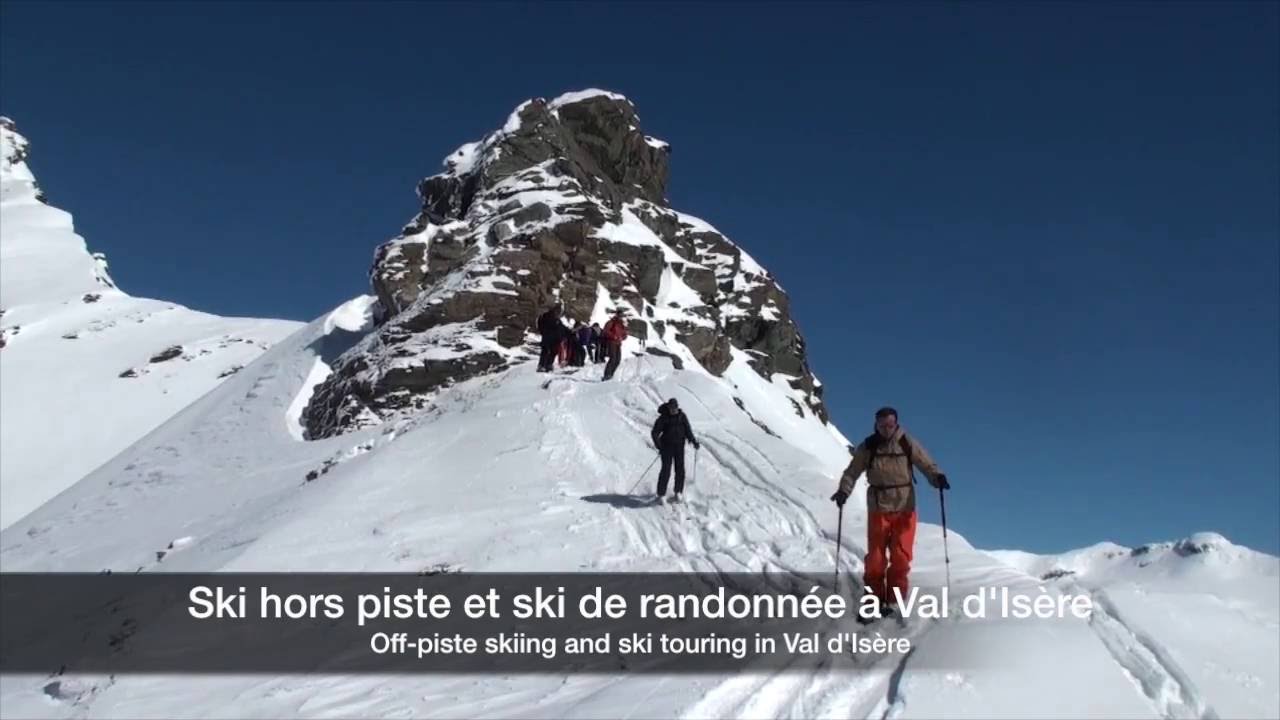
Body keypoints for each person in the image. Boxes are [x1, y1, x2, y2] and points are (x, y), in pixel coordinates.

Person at [830, 407, 949, 621]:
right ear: (876, 425)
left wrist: (937, 477)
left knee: (901, 556)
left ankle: (893, 601)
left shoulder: (906, 441)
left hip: (905, 507)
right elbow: (852, 471)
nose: (886, 429)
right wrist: (843, 491)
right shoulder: (868, 446)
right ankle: (873, 599)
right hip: (878, 508)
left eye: (890, 425)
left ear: (896, 424)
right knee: (875, 557)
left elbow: (925, 462)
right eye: (882, 425)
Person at [650, 398, 699, 504]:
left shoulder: (682, 417)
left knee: (680, 470)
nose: (673, 410)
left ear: (677, 407)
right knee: (666, 470)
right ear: (668, 408)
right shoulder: (663, 418)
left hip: (679, 447)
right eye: (671, 408)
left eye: (675, 408)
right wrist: (660, 446)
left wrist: (693, 441)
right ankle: (661, 494)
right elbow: (654, 433)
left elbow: (688, 430)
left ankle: (678, 492)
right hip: (667, 448)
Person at [536, 303, 566, 373]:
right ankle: (542, 366)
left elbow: (562, 329)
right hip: (548, 338)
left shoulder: (557, 319)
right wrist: (544, 333)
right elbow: (542, 325)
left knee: (552, 352)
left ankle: (547, 365)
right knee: (546, 351)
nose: (559, 312)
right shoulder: (548, 316)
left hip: (554, 339)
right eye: (559, 311)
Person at [601, 309, 629, 380]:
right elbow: (605, 331)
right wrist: (613, 336)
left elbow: (624, 335)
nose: (620, 317)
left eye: (621, 315)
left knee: (618, 360)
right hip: (611, 342)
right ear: (617, 315)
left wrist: (625, 333)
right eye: (619, 315)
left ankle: (611, 375)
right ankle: (607, 375)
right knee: (613, 358)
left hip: (618, 343)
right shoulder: (611, 322)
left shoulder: (621, 324)